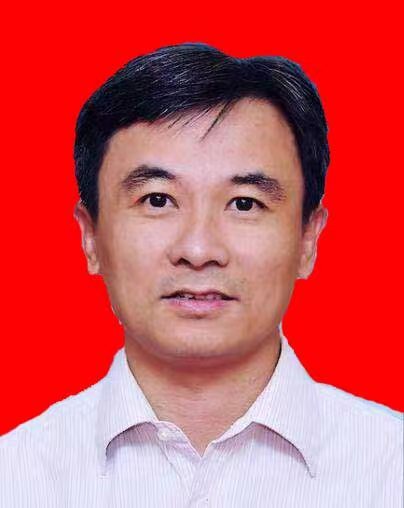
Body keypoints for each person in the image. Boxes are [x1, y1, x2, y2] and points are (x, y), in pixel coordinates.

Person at [0, 42, 402, 508]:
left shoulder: (390, 469)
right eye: (157, 200)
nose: (198, 250)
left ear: (308, 239)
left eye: (245, 204)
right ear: (91, 237)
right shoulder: (15, 477)